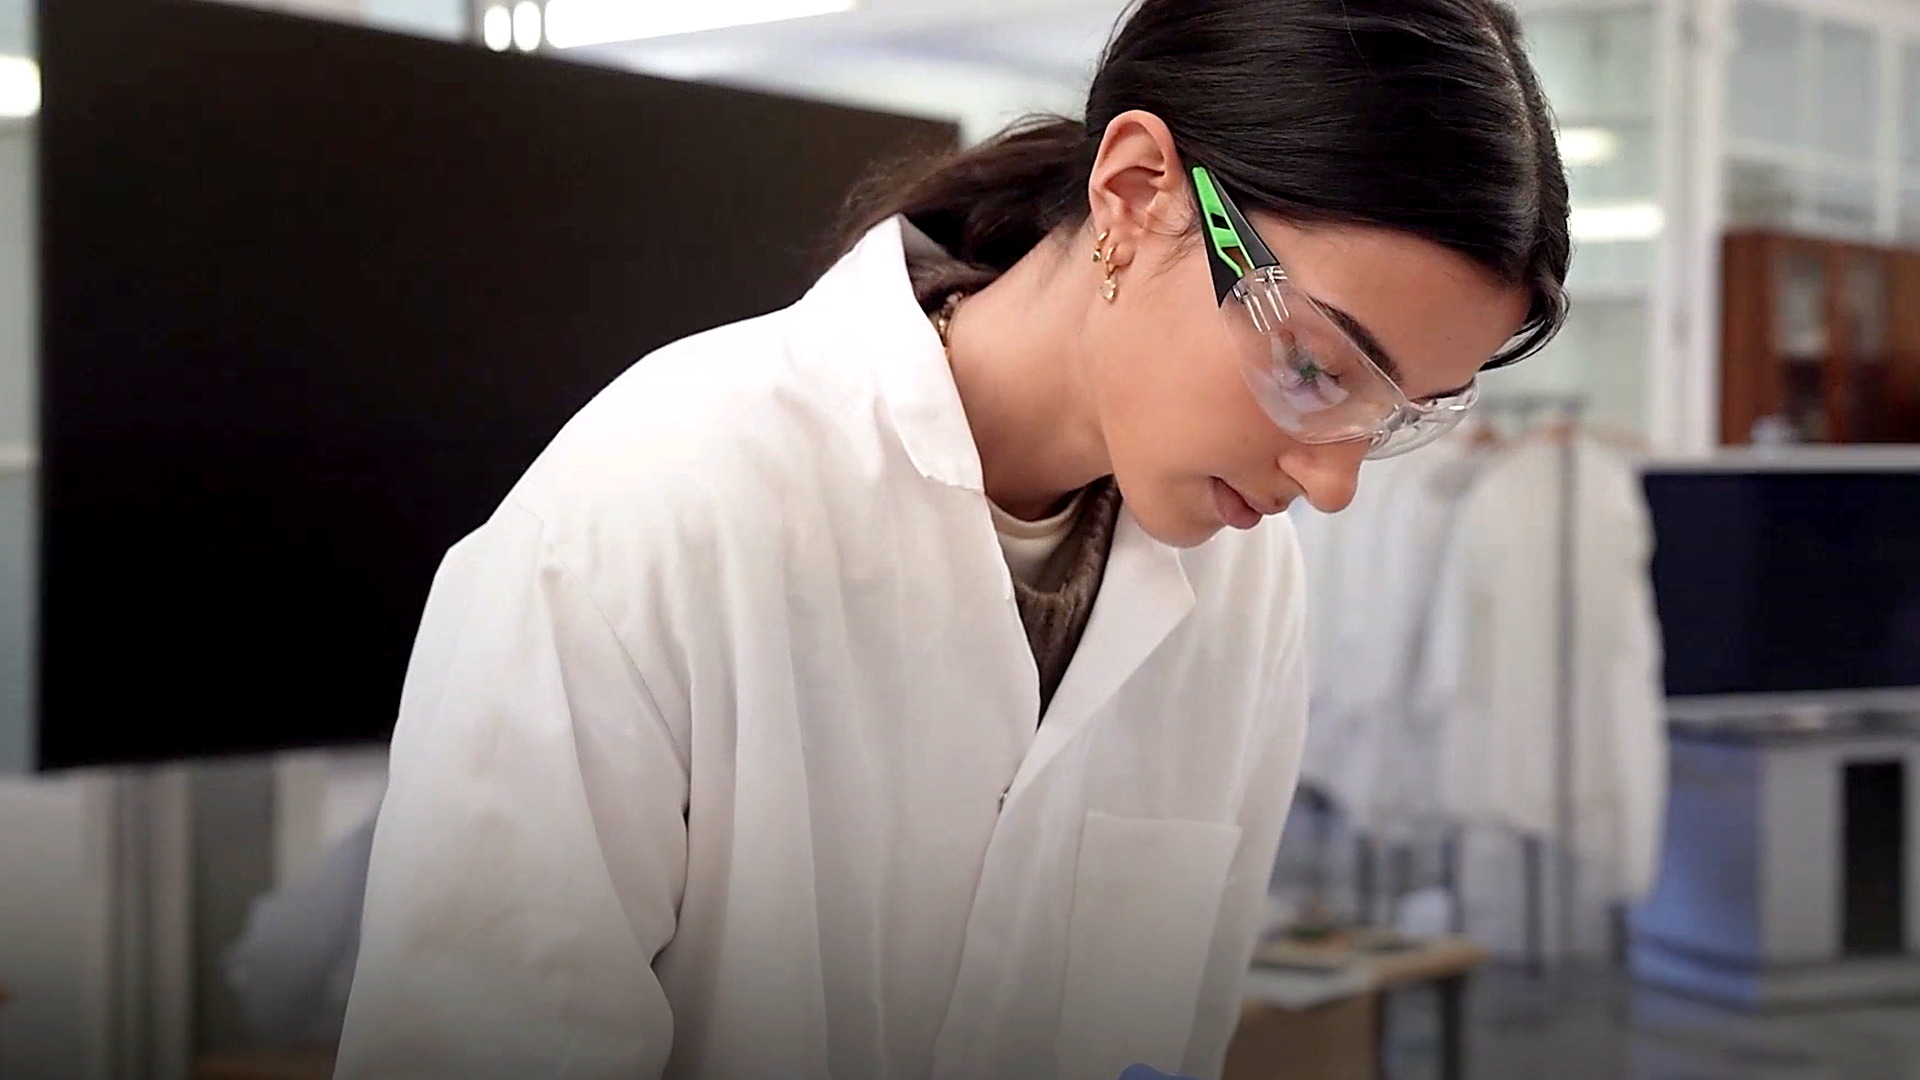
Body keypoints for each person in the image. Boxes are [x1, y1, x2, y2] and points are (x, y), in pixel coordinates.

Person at [333, 0, 1569, 1077]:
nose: (1336, 479)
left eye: (1399, 417)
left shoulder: (1247, 590)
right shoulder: (654, 506)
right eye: (1315, 366)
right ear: (1136, 194)